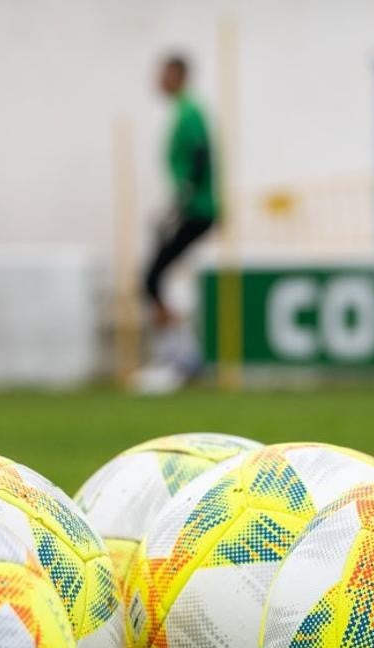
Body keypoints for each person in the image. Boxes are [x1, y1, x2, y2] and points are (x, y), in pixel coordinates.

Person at [133, 54, 218, 394]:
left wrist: (182, 201)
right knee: (159, 279)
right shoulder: (184, 112)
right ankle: (181, 358)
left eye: (164, 74)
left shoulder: (189, 112)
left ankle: (178, 360)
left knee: (153, 278)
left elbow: (199, 157)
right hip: (191, 207)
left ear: (178, 76)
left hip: (196, 209)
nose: (158, 81)